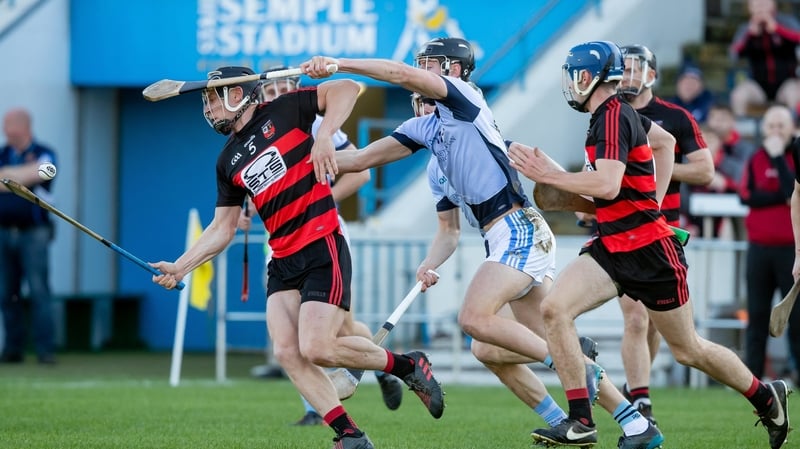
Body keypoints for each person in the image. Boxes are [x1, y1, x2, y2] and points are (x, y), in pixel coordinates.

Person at [303, 38, 663, 448]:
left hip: (518, 226)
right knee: (490, 349)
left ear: (455, 70)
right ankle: (635, 424)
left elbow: (399, 74)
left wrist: (339, 63)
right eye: (422, 65)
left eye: (432, 65)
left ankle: (580, 375)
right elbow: (360, 161)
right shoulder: (425, 134)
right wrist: (301, 154)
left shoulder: (465, 97)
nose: (422, 72)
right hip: (500, 239)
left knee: (474, 317)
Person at [508, 40, 791, 449]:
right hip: (612, 246)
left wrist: (552, 176)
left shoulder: (611, 116)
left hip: (651, 252)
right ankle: (581, 420)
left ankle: (767, 397)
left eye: (578, 76)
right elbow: (664, 144)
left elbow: (606, 183)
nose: (572, 84)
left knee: (689, 349)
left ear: (595, 78)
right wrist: (648, 201)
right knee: (555, 309)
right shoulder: (614, 115)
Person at [150, 66, 445, 449]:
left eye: (212, 98)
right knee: (287, 351)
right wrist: (180, 265)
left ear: (237, 95)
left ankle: (407, 366)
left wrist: (323, 136)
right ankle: (351, 436)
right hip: (283, 257)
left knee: (318, 347)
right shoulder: (227, 162)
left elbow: (345, 87)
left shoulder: (286, 109)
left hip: (322, 244)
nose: (208, 109)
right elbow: (222, 228)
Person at [239, 66, 404, 426]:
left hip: (321, 233)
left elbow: (361, 173)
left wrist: (317, 198)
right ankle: (363, 379)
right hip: (282, 240)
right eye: (270, 89)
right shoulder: (255, 134)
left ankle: (373, 374)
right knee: (312, 334)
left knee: (330, 331)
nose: (275, 94)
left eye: (283, 87)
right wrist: (247, 210)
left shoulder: (309, 123)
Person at [613, 43, 715, 425]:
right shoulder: (610, 116)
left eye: (636, 68)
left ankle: (637, 388)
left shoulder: (675, 117)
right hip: (623, 227)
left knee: (655, 321)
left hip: (664, 228)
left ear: (652, 75)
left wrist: (656, 166)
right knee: (636, 318)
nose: (628, 75)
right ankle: (641, 400)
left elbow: (705, 172)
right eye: (622, 68)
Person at [740, 104, 800, 382]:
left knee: (797, 316)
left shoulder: (792, 156)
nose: (776, 132)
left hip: (791, 250)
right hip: (759, 249)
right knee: (757, 315)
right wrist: (780, 197)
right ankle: (751, 379)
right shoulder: (755, 159)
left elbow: (793, 192)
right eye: (771, 126)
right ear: (763, 129)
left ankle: (797, 372)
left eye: (781, 126)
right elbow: (748, 196)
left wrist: (778, 160)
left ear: (792, 129)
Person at [0, 108, 57, 365]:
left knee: (38, 291)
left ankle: (45, 350)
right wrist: (24, 174)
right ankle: (13, 348)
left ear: (22, 128)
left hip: (34, 234)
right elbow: (28, 176)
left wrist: (8, 176)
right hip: (4, 232)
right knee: (6, 293)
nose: (6, 131)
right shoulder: (3, 153)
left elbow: (45, 172)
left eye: (9, 126)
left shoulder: (45, 152)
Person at [729, 0, 800, 117]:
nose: (761, 7)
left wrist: (777, 29)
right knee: (739, 96)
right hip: (758, 86)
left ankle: (795, 130)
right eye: (757, 4)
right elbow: (734, 54)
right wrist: (750, 35)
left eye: (765, 3)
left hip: (786, 83)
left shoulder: (786, 21)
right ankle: (742, 132)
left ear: (774, 5)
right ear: (750, 8)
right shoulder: (746, 28)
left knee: (796, 94)